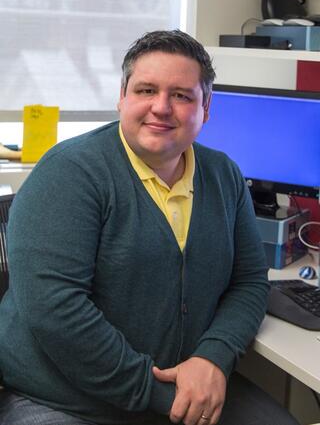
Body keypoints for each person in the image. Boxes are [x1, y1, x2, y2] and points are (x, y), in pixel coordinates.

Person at [0, 30, 300, 425]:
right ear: (122, 96)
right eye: (146, 90)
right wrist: (160, 393)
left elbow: (248, 282)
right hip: (63, 398)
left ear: (206, 107)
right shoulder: (69, 173)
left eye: (181, 95)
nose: (161, 107)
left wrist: (214, 355)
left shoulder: (224, 175)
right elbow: (57, 311)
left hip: (184, 385)